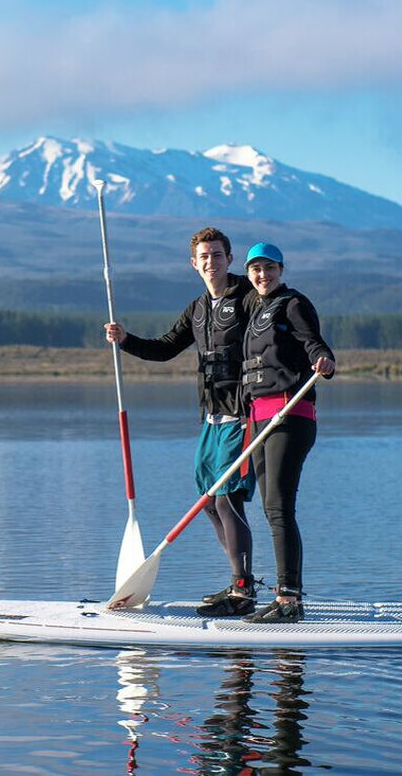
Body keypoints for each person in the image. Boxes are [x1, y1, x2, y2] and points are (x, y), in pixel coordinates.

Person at [103, 227, 261, 618]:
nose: (211, 262)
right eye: (204, 256)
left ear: (230, 258)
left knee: (229, 495)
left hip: (244, 416)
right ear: (194, 263)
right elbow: (164, 349)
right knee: (208, 499)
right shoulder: (197, 309)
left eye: (218, 255)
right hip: (211, 417)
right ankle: (239, 581)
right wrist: (125, 340)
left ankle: (243, 592)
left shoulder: (249, 298)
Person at [234, 241, 335, 622]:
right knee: (269, 508)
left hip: (289, 417)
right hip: (259, 420)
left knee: (278, 508)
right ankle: (275, 595)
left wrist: (323, 361)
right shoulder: (254, 307)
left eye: (270, 268)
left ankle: (289, 600)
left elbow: (314, 343)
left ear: (281, 268)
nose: (263, 275)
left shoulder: (293, 303)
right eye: (256, 269)